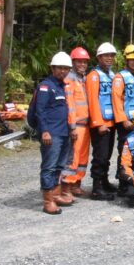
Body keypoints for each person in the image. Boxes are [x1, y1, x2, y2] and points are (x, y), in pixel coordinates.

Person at [36, 52, 77, 214]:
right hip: (51, 135)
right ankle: (48, 202)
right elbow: (40, 111)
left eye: (66, 68)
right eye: (60, 68)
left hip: (64, 133)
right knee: (49, 167)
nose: (63, 71)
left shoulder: (62, 86)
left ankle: (55, 195)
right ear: (52, 68)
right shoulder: (46, 86)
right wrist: (44, 131)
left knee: (60, 166)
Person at [86, 42, 118, 201]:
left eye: (112, 55)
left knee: (107, 155)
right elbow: (92, 101)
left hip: (111, 122)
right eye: (106, 55)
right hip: (101, 124)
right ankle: (97, 188)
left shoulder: (112, 75)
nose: (109, 58)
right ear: (99, 57)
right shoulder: (94, 76)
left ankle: (104, 181)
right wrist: (98, 123)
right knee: (100, 155)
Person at [112, 44, 134, 195]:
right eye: (132, 59)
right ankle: (123, 184)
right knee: (124, 152)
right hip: (126, 122)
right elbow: (116, 100)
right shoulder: (120, 77)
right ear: (126, 59)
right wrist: (123, 119)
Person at [61, 46, 90, 196]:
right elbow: (70, 106)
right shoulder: (69, 79)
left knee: (83, 157)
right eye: (79, 62)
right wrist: (72, 126)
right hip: (76, 125)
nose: (82, 65)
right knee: (72, 157)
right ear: (73, 62)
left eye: (84, 62)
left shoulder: (84, 79)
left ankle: (77, 183)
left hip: (86, 126)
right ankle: (66, 186)